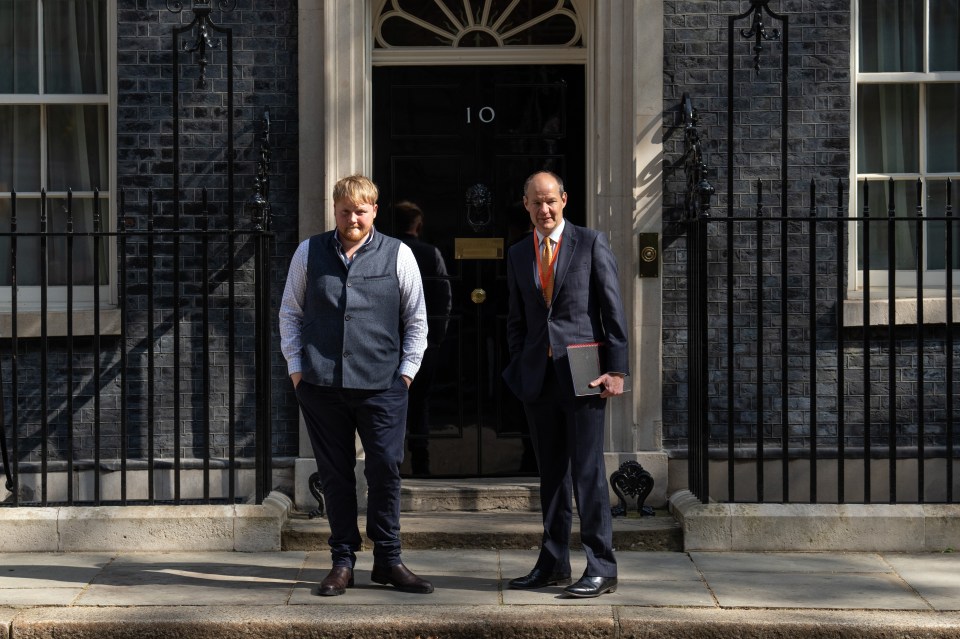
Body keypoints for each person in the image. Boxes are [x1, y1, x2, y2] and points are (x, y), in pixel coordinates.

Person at [279, 175, 433, 596]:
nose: (352, 218)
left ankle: (388, 558)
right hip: (321, 383)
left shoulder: (398, 254)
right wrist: (297, 369)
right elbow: (290, 312)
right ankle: (342, 561)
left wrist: (406, 373)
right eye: (345, 210)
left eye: (361, 210)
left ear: (374, 212)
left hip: (383, 384)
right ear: (335, 210)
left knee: (385, 469)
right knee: (335, 475)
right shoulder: (308, 252)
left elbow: (416, 318)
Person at [502, 170, 629, 598]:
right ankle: (554, 561)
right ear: (526, 205)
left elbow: (612, 309)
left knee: (588, 473)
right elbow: (516, 319)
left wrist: (617, 370)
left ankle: (601, 566)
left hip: (585, 372)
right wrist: (520, 365)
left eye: (551, 201)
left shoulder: (591, 243)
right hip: (539, 376)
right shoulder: (520, 253)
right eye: (536, 202)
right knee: (551, 475)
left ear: (565, 199)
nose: (544, 209)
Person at [394, 201, 452, 476]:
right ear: (418, 225)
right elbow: (444, 293)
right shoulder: (431, 253)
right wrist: (438, 336)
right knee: (420, 402)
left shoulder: (387, 252)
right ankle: (421, 463)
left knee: (391, 402)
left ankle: (393, 463)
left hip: (391, 340)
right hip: (426, 339)